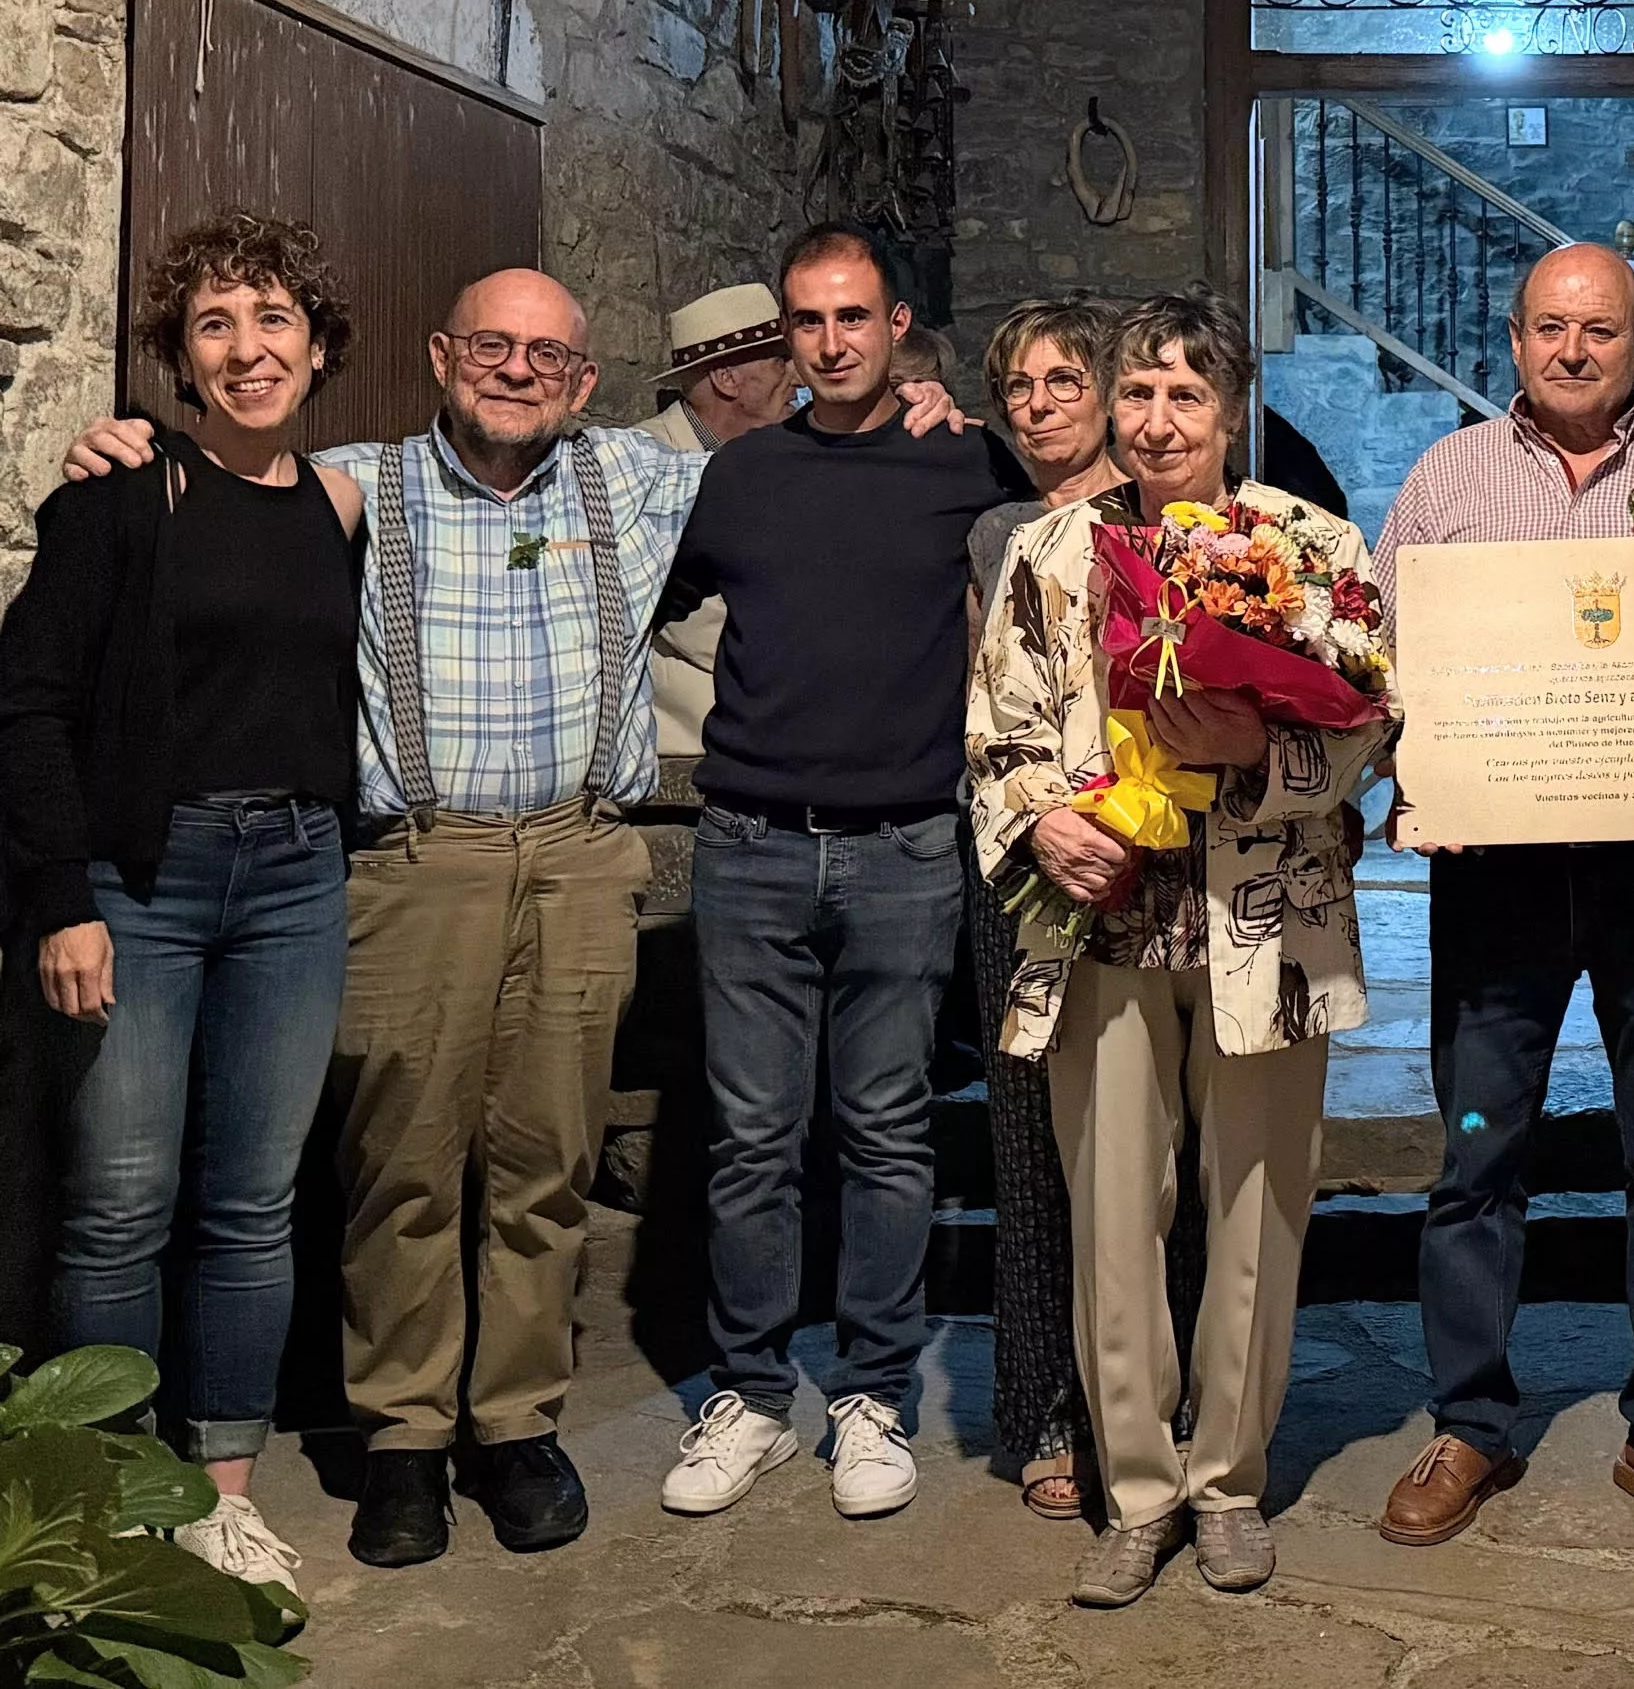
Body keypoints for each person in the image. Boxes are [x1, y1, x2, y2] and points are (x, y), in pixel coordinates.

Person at [52, 268, 969, 1569]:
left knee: (544, 1164)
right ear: (440, 353)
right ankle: (407, 1435)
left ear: (587, 381)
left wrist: (915, 402)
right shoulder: (345, 484)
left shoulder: (646, 485)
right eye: (492, 342)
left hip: (578, 858)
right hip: (414, 862)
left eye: (549, 352)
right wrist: (126, 451)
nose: (519, 367)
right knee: (404, 1168)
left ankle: (516, 1421)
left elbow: (819, 469)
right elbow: (213, 495)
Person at [971, 293, 1391, 1610]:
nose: (1157, 422)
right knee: (1113, 1213)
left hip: (1267, 918)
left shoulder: (1307, 545)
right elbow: (999, 726)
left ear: (1231, 411)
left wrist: (1261, 754)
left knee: (1257, 1210)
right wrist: (1041, 819)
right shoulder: (1048, 551)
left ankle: (1228, 1483)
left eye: (1185, 397)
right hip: (1105, 920)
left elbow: (1373, 714)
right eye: (1138, 394)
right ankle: (1136, 1488)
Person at [1369, 242, 1634, 1560]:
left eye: (1598, 329)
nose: (1571, 349)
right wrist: (1405, 762)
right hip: (1496, 874)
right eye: (1549, 326)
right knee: (1477, 1151)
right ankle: (1472, 1420)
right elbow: (1386, 655)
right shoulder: (1446, 480)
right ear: (1511, 337)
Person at [0, 214, 366, 1595]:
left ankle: (217, 1487)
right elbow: (28, 700)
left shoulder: (341, 505)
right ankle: (111, 1490)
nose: (247, 345)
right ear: (179, 356)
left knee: (251, 1203)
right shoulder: (122, 490)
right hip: (139, 883)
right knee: (118, 1201)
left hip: (296, 876)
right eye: (215, 323)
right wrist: (61, 899)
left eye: (274, 317)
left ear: (318, 347)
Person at [654, 228, 1022, 1524]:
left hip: (906, 845)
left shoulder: (963, 461)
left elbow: (1073, 503)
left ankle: (870, 1390)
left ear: (895, 324)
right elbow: (651, 597)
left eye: (851, 316)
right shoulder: (739, 475)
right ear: (786, 339)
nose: (828, 340)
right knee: (751, 1137)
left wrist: (977, 415)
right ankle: (749, 1390)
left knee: (884, 1133)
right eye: (806, 320)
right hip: (750, 841)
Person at [636, 284, 797, 804]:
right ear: (727, 378)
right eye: (779, 360)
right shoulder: (644, 465)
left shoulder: (780, 452)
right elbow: (684, 616)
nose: (797, 376)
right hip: (697, 735)